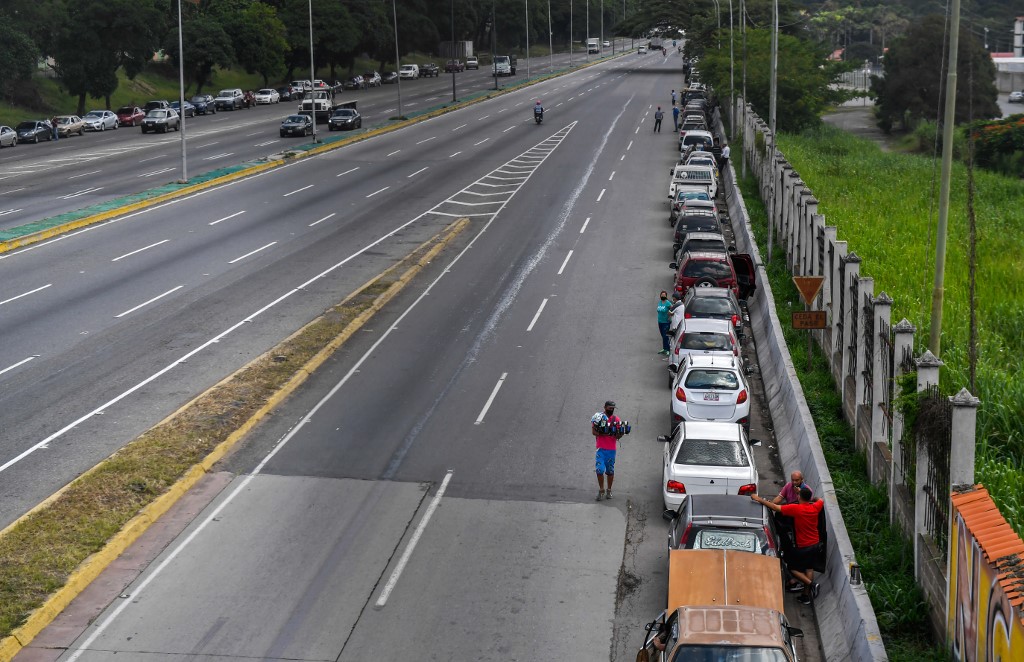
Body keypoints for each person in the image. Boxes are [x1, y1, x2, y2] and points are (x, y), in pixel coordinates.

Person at [751, 487, 824, 605]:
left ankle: (812, 584)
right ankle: (805, 596)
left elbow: (775, 507)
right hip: (815, 543)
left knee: (792, 568)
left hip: (803, 546)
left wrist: (758, 499)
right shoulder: (816, 507)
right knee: (809, 568)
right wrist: (813, 498)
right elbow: (820, 500)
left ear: (799, 497)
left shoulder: (796, 509)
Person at [592, 400, 624, 501]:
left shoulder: (616, 419)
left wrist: (620, 433)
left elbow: (619, 435)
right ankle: (601, 490)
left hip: (611, 450)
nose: (612, 410)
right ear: (605, 407)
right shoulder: (598, 418)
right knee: (599, 470)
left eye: (613, 409)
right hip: (601, 449)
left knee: (610, 471)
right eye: (610, 408)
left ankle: (609, 490)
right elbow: (594, 432)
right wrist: (604, 433)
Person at [657, 291, 672, 355]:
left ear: (666, 296)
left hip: (665, 322)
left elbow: (672, 308)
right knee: (663, 336)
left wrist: (670, 314)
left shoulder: (668, 303)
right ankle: (664, 348)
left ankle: (668, 349)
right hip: (660, 322)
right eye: (662, 295)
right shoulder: (659, 302)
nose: (663, 296)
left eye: (664, 295)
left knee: (665, 336)